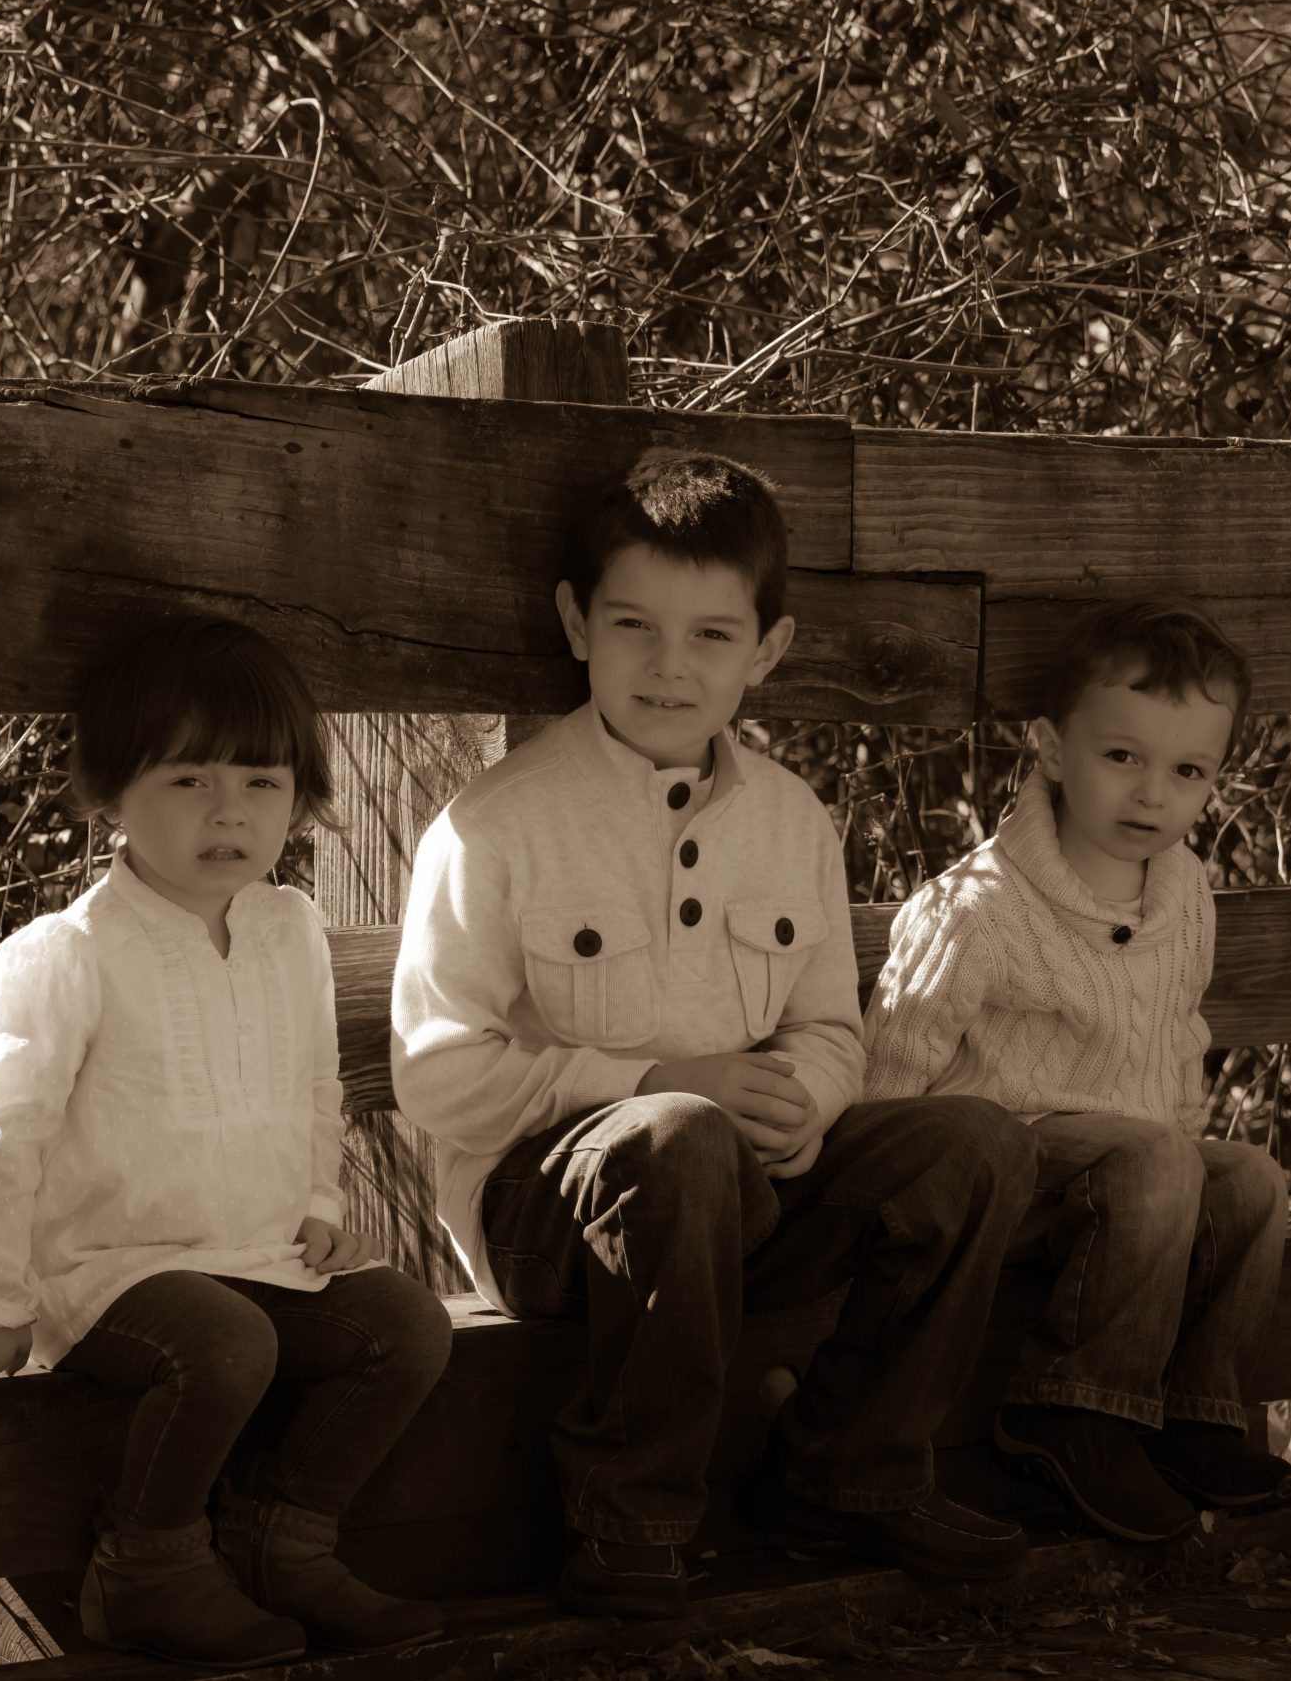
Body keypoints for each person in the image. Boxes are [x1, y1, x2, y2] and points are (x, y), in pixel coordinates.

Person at [391, 451, 1036, 1619]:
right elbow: (436, 1076)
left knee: (973, 1145)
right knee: (680, 1133)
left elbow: (828, 1027)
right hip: (550, 1222)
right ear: (575, 623)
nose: (668, 665)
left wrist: (807, 1099)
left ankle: (851, 1472)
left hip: (748, 1195)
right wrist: (647, 1080)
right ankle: (630, 1516)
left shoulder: (793, 820)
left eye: (709, 636)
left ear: (767, 651)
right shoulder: (495, 829)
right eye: (633, 623)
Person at [0, 617, 451, 1664]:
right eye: (188, 781)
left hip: (261, 1258)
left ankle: (287, 1539)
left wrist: (323, 1209)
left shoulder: (292, 932)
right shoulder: (67, 954)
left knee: (405, 1326)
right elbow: (4, 1132)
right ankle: (145, 1569)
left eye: (261, 783)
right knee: (223, 1342)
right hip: (112, 1277)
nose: (229, 814)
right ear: (111, 792)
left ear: (300, 798)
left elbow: (315, 1085)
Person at [864, 599, 1291, 1544]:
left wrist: (1183, 1182)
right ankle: (1075, 1410)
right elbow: (892, 1077)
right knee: (1156, 1160)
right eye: (1122, 757)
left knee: (1253, 1182)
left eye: (1187, 771)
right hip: (998, 1187)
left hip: (1135, 1188)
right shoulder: (975, 908)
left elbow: (1175, 1040)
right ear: (1052, 749)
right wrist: (893, 1217)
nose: (1153, 794)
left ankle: (1195, 1417)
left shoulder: (1186, 896)